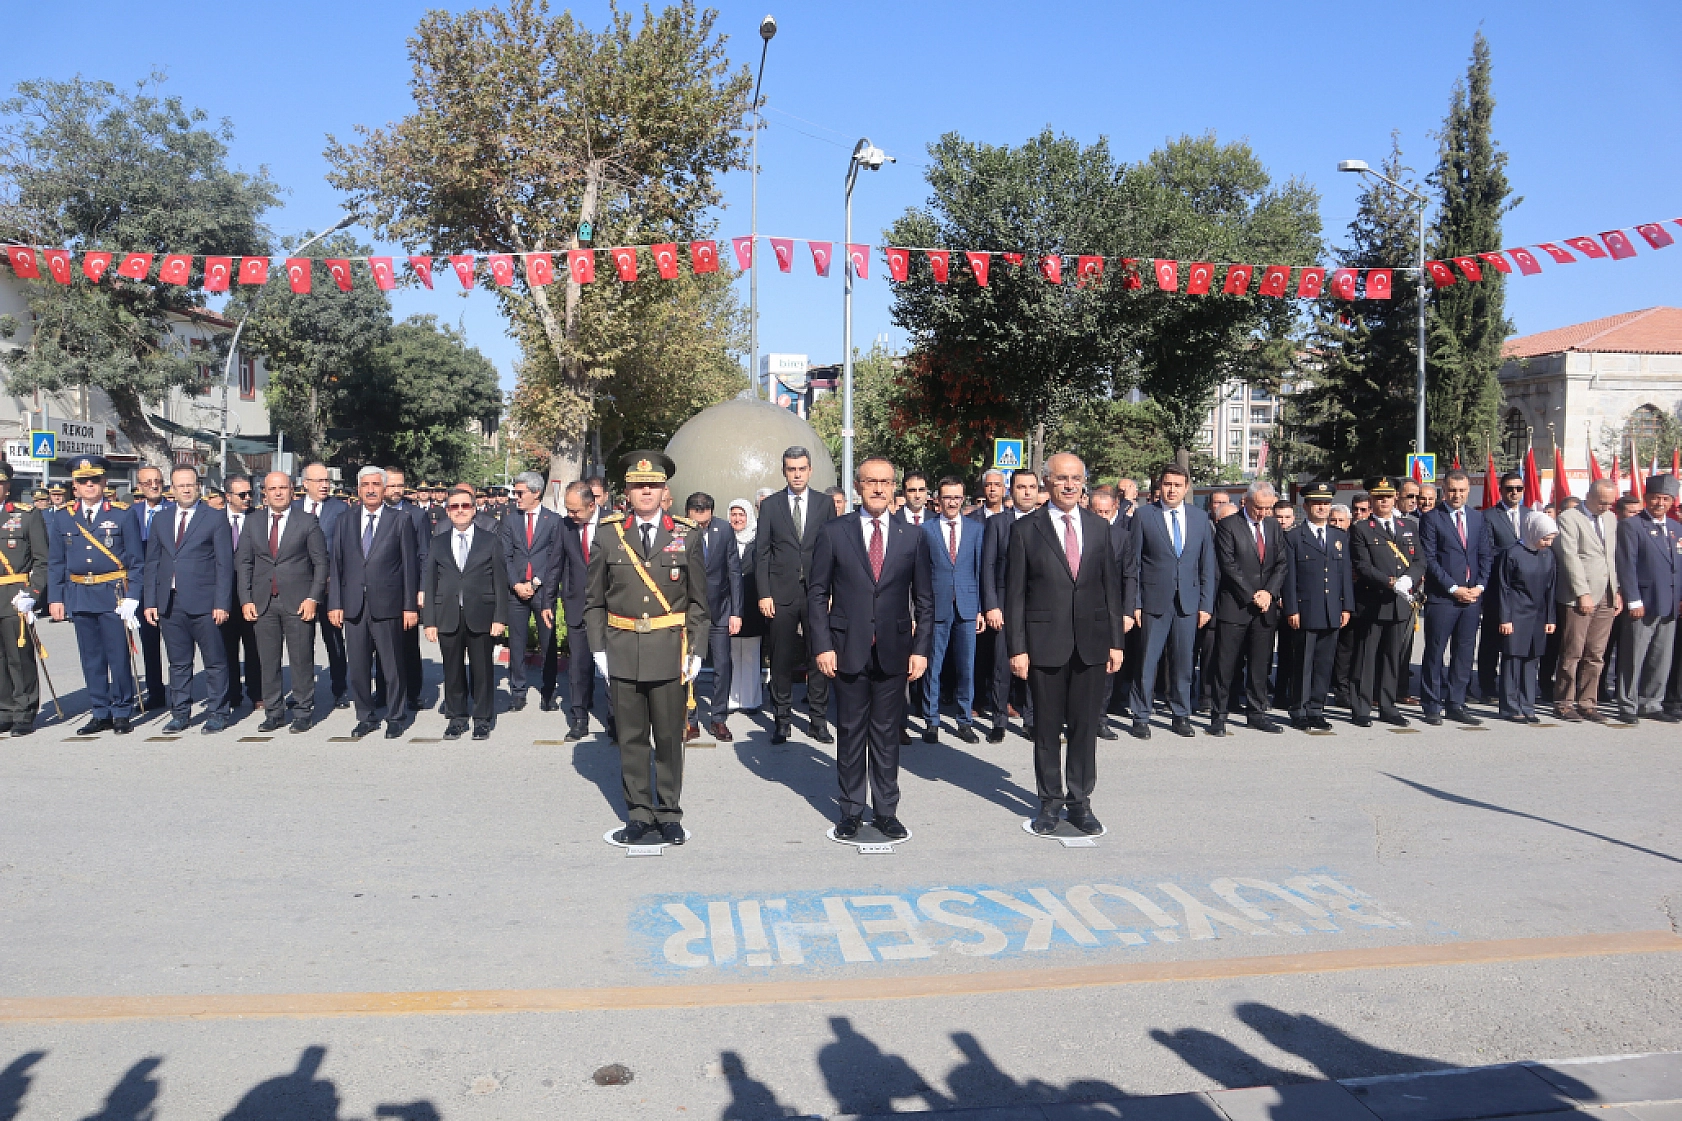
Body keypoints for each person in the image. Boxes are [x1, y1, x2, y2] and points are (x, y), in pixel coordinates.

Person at [585, 451, 708, 845]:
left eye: (652, 486)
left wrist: (698, 651)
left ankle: (669, 812)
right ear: (628, 491)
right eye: (639, 486)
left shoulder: (686, 534)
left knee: (670, 738)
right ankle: (638, 812)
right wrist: (598, 649)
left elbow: (699, 602)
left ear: (664, 491)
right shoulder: (608, 533)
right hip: (621, 649)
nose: (646, 492)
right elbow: (593, 600)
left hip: (670, 650)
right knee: (632, 739)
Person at [808, 456, 933, 840]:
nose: (879, 488)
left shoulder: (912, 535)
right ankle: (850, 810)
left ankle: (886, 811)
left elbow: (925, 599)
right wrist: (823, 645)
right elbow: (817, 594)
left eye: (886, 482)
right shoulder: (834, 531)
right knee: (850, 732)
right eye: (871, 482)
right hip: (847, 649)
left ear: (893, 487)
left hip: (896, 650)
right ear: (858, 486)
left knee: (885, 734)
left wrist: (921, 648)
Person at [1006, 453, 1130, 835]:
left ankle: (1080, 802)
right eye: (1062, 478)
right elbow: (1014, 596)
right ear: (1048, 481)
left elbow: (1111, 588)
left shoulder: (1098, 527)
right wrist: (1017, 648)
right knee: (1045, 729)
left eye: (1077, 477)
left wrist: (1116, 641)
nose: (1070, 484)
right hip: (1044, 644)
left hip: (1091, 645)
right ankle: (1049, 803)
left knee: (1083, 727)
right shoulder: (1026, 529)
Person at [48, 457, 145, 735]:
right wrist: (56, 598)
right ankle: (100, 711)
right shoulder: (63, 516)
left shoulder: (122, 513)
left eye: (94, 480)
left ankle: (122, 710)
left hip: (113, 593)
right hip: (79, 593)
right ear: (74, 486)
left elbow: (137, 561)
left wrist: (133, 596)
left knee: (117, 655)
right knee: (91, 657)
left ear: (104, 483)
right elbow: (56, 561)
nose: (89, 485)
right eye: (82, 481)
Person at [327, 466, 420, 739]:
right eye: (365, 484)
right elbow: (337, 565)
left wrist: (410, 606)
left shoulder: (399, 520)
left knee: (392, 666)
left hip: (389, 604)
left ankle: (395, 716)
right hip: (354, 604)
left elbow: (409, 567)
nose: (370, 489)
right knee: (357, 667)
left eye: (376, 484)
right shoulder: (345, 520)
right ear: (358, 489)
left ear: (384, 488)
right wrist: (335, 603)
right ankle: (365, 716)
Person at [142, 465, 233, 734]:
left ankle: (218, 711)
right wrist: (150, 601)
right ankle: (180, 712)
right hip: (170, 602)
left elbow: (224, 565)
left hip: (205, 603)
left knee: (215, 661)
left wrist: (222, 603)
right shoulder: (160, 519)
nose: (185, 489)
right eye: (180, 485)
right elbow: (152, 563)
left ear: (198, 486)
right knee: (178, 663)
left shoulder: (214, 518)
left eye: (190, 484)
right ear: (172, 489)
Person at [1127, 464, 1215, 739]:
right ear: (1159, 486)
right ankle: (1141, 715)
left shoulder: (1200, 518)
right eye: (1167, 484)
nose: (1172, 489)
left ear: (1186, 488)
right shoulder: (1143, 516)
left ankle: (1181, 714)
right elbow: (1134, 565)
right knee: (1147, 662)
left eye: (1178, 485)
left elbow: (1207, 566)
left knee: (1183, 662)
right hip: (1154, 600)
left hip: (1188, 603)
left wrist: (1205, 604)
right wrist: (1136, 603)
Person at [237, 471, 328, 733]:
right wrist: (246, 599)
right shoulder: (252, 522)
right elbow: (244, 562)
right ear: (263, 493)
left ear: (292, 490)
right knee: (268, 661)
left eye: (282, 488)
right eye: (271, 489)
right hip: (263, 602)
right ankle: (274, 712)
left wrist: (313, 597)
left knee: (301, 660)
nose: (277, 493)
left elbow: (321, 563)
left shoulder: (307, 521)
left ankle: (302, 711)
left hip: (299, 602)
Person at [755, 445, 835, 744]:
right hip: (780, 594)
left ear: (810, 470)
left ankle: (818, 720)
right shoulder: (772, 505)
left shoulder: (825, 504)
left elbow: (832, 550)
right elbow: (761, 553)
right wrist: (764, 593)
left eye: (802, 468)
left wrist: (832, 591)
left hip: (817, 592)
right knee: (781, 657)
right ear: (784, 471)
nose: (797, 474)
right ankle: (782, 719)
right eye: (791, 469)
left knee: (819, 656)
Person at [425, 486, 509, 740]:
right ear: (447, 512)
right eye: (454, 507)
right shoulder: (437, 542)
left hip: (481, 613)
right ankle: (457, 717)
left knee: (482, 669)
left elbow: (500, 582)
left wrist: (499, 618)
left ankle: (482, 718)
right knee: (452, 670)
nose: (460, 511)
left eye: (465, 506)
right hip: (448, 613)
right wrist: (429, 620)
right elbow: (429, 583)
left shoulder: (490, 540)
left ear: (474, 509)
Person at [1209, 481, 1286, 735]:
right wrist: (1253, 595)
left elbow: (1281, 564)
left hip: (1265, 609)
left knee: (1260, 664)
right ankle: (1219, 715)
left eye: (1268, 508)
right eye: (1259, 507)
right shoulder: (1229, 526)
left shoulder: (1274, 527)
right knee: (1226, 664)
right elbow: (1228, 566)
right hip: (1236, 606)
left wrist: (1269, 593)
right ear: (1246, 501)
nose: (1262, 513)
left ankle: (1256, 712)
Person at [1348, 476, 1424, 728]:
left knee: (1393, 658)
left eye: (1388, 497)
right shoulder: (1361, 528)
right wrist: (1392, 582)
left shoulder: (1408, 526)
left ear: (1396, 498)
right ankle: (1361, 707)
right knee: (1367, 658)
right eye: (1379, 497)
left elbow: (1420, 561)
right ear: (1371, 500)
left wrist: (1408, 581)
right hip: (1373, 602)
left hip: (1400, 604)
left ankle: (1388, 706)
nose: (1384, 501)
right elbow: (1362, 565)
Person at [1418, 469, 1490, 726]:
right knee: (1435, 652)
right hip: (1443, 597)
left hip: (1472, 598)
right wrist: (1452, 588)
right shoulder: (1432, 518)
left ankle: (1456, 703)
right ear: (1443, 490)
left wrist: (1480, 586)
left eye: (1461, 491)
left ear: (1468, 491)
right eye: (1452, 490)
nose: (1457, 495)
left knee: (1463, 652)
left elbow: (1485, 555)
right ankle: (1431, 704)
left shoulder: (1477, 518)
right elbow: (1429, 559)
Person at [1281, 482, 1354, 731]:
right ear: (1306, 506)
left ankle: (1316, 709)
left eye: (1325, 503)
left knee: (1324, 663)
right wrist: (1291, 608)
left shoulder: (1339, 536)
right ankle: (1298, 709)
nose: (1322, 507)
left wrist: (1347, 607)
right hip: (1305, 609)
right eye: (1316, 503)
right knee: (1303, 662)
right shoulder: (1294, 537)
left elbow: (1344, 574)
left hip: (1332, 609)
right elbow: (1289, 577)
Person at [920, 476, 984, 744]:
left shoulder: (975, 529)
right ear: (938, 499)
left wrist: (981, 608)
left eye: (957, 497)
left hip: (968, 606)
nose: (953, 502)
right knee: (933, 666)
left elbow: (980, 570)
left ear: (963, 498)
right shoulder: (926, 530)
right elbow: (922, 572)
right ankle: (931, 721)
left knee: (966, 667)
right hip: (937, 605)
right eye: (947, 497)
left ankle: (964, 720)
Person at [1613, 475, 1681, 724]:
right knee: (1633, 656)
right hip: (1643, 601)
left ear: (1672, 501)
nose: (1659, 503)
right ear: (1646, 499)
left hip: (1669, 602)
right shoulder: (1632, 526)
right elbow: (1626, 565)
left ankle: (1652, 702)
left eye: (1665, 498)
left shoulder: (1675, 528)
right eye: (1655, 498)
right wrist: (1633, 599)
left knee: (1661, 656)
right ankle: (1628, 704)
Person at [1551, 479, 1621, 722]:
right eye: (1602, 502)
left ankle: (1588, 702)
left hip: (1606, 594)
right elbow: (1570, 557)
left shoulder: (1611, 519)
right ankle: (1563, 702)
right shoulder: (1569, 517)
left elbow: (1611, 557)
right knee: (1573, 651)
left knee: (1596, 653)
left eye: (1610, 503)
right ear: (1588, 496)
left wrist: (1617, 590)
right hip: (1578, 596)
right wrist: (1582, 592)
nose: (1605, 507)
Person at [981, 470, 1039, 742]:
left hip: (1039, 607)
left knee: (1035, 665)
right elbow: (988, 566)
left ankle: (1031, 719)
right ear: (1011, 491)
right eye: (1021, 487)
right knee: (1002, 666)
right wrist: (991, 605)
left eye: (1032, 487)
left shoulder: (1046, 522)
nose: (1027, 492)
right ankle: (999, 721)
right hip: (1004, 605)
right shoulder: (998, 523)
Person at [500, 471, 565, 712]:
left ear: (536, 493)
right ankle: (518, 691)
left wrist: (536, 583)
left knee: (548, 643)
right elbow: (504, 556)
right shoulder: (509, 520)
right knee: (516, 642)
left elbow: (554, 557)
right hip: (516, 590)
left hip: (542, 591)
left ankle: (548, 691)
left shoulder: (553, 520)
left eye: (520, 493)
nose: (515, 497)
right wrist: (516, 584)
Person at [685, 491, 742, 742]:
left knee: (722, 665)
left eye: (703, 518)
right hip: (690, 611)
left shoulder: (724, 530)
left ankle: (718, 718)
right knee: (690, 668)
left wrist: (736, 612)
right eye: (694, 517)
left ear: (711, 513)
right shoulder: (679, 530)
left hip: (720, 609)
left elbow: (734, 572)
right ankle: (690, 719)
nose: (698, 524)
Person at [557, 480, 612, 740]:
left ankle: (614, 720)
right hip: (577, 603)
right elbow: (555, 564)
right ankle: (579, 717)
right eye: (568, 509)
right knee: (578, 666)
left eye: (576, 510)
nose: (571, 515)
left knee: (611, 666)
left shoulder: (614, 523)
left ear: (592, 505)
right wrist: (548, 602)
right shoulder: (565, 526)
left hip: (610, 607)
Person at [296, 462, 351, 709]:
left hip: (330, 587)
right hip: (299, 588)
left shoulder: (340, 510)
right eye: (318, 481)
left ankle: (339, 689)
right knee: (300, 643)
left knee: (334, 640)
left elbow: (345, 551)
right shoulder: (294, 508)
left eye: (327, 480)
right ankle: (303, 693)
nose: (325, 485)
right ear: (305, 483)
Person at [1494, 513, 1559, 723]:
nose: (1547, 543)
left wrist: (1550, 618)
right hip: (1516, 613)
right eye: (1544, 539)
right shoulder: (1512, 553)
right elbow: (1503, 588)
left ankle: (1528, 704)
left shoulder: (1548, 555)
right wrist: (1505, 618)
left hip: (1538, 615)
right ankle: (1510, 707)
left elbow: (1551, 588)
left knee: (1532, 660)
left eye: (1550, 539)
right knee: (1513, 659)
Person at [0, 462, 48, 734]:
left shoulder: (26, 515)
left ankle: (24, 712)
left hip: (14, 594)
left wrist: (33, 594)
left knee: (19, 657)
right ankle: (4, 710)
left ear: (7, 486)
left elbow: (43, 560)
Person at [1479, 471, 1528, 702]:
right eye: (1509, 488)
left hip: (1523, 589)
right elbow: (1487, 551)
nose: (1514, 493)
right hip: (1497, 585)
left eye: (1518, 488)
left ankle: (1515, 685)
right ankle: (1487, 684)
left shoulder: (1530, 515)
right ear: (1501, 490)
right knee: (1491, 637)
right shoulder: (1489, 516)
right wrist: (1515, 556)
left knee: (1517, 638)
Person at [383, 467, 429, 706]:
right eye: (391, 485)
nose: (396, 490)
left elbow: (424, 554)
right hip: (380, 590)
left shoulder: (416, 514)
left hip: (406, 589)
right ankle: (383, 692)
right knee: (380, 644)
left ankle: (412, 692)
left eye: (400, 485)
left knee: (408, 644)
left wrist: (421, 588)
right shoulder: (372, 512)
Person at [220, 475, 263, 712]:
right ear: (228, 496)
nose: (248, 499)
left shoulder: (258, 518)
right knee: (226, 646)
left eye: (250, 494)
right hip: (225, 593)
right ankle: (232, 693)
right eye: (242, 495)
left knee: (254, 646)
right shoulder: (214, 519)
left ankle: (257, 693)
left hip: (253, 592)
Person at [130, 464, 170, 711]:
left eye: (157, 481)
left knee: (179, 644)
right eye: (148, 482)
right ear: (139, 486)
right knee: (149, 641)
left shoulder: (175, 510)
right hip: (144, 586)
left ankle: (181, 692)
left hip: (171, 583)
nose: (154, 486)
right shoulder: (130, 513)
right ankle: (155, 691)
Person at [725, 499, 765, 713]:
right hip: (729, 604)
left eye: (741, 514)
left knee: (750, 653)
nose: (737, 519)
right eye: (734, 514)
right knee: (731, 653)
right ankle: (732, 698)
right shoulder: (724, 538)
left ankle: (750, 700)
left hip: (751, 603)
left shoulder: (758, 540)